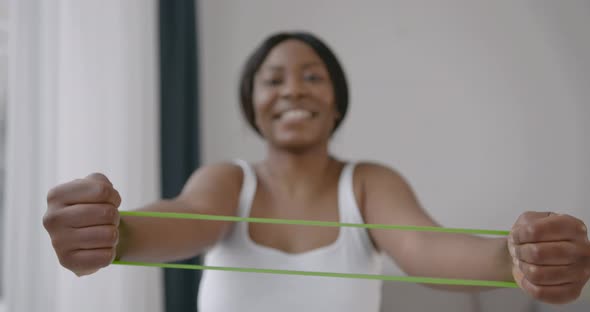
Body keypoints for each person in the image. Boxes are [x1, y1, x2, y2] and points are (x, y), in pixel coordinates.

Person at [43, 31, 590, 311]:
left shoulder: (369, 183)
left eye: (312, 77)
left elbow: (427, 249)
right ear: (252, 103)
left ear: (335, 104)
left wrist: (516, 258)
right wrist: (114, 234)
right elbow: (183, 217)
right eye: (274, 79)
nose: (293, 90)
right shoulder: (228, 181)